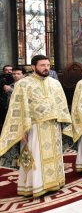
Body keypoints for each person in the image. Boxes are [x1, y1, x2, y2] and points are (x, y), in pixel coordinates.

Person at [0, 55, 71, 196]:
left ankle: (55, 182)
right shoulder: (23, 84)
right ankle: (35, 186)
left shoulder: (55, 83)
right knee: (36, 157)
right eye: (42, 65)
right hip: (34, 128)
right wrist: (21, 131)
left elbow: (61, 103)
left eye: (48, 65)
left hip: (53, 126)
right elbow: (16, 108)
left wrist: (63, 123)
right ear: (33, 67)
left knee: (55, 156)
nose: (46, 68)